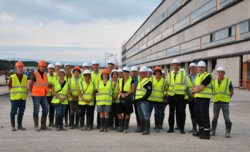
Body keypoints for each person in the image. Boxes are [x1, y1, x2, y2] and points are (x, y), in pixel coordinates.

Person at [211, 66, 234, 138]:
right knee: (215, 117)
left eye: (222, 72)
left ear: (224, 73)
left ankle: (227, 132)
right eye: (219, 72)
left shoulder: (228, 81)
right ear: (217, 73)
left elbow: (231, 92)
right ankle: (213, 131)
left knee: (226, 117)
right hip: (216, 102)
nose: (220, 74)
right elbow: (212, 91)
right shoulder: (214, 82)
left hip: (225, 102)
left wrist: (227, 98)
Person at [192, 61, 213, 140]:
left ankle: (207, 133)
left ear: (205, 68)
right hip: (197, 98)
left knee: (204, 115)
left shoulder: (207, 76)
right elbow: (194, 85)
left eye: (202, 67)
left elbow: (202, 87)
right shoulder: (198, 76)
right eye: (199, 67)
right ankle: (201, 130)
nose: (200, 69)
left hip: (204, 99)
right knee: (197, 115)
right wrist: (195, 89)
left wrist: (195, 90)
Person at [167, 59, 188, 134]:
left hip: (180, 95)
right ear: (172, 66)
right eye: (174, 65)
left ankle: (181, 128)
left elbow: (186, 84)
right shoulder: (169, 74)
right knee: (171, 112)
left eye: (177, 65)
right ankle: (171, 128)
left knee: (181, 112)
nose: (175, 66)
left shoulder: (183, 73)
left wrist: (181, 91)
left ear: (179, 65)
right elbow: (168, 84)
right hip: (172, 95)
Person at [29, 60, 51, 131]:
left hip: (43, 95)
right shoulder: (34, 74)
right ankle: (36, 126)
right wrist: (32, 92)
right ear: (39, 66)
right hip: (36, 95)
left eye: (44, 67)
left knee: (46, 109)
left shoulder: (45, 74)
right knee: (36, 110)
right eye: (42, 66)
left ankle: (43, 125)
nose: (43, 68)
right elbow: (30, 84)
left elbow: (44, 84)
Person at [8, 61, 27, 131]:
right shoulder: (12, 77)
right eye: (19, 68)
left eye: (21, 68)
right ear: (16, 68)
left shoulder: (25, 77)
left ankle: (19, 125)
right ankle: (13, 126)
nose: (20, 69)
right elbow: (9, 87)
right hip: (15, 98)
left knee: (21, 112)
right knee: (13, 112)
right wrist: (12, 94)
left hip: (22, 98)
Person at [148, 67, 167, 133]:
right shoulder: (151, 79)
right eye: (156, 72)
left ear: (161, 73)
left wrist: (164, 95)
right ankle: (147, 126)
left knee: (158, 113)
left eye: (159, 72)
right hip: (151, 99)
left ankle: (157, 126)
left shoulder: (164, 81)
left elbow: (166, 89)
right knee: (149, 113)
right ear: (155, 73)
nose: (158, 73)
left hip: (159, 100)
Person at [134, 66, 152, 135]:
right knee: (140, 115)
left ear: (146, 73)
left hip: (143, 101)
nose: (141, 74)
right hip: (138, 100)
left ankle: (147, 130)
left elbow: (149, 92)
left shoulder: (148, 81)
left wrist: (143, 98)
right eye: (140, 73)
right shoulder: (140, 80)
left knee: (146, 115)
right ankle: (141, 128)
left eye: (142, 73)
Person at [117, 67, 135, 133]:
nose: (126, 73)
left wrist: (126, 94)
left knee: (127, 113)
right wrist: (121, 94)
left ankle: (125, 128)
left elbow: (132, 90)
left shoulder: (131, 80)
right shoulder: (120, 80)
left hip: (128, 98)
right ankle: (121, 127)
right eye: (124, 72)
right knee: (119, 112)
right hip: (121, 97)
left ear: (129, 73)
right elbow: (118, 89)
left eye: (127, 72)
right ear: (123, 73)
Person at [187, 63, 198, 133]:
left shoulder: (200, 76)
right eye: (191, 68)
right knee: (192, 113)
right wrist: (190, 94)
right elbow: (186, 87)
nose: (192, 69)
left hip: (198, 97)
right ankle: (194, 128)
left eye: (193, 68)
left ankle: (201, 126)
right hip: (190, 98)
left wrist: (195, 93)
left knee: (199, 112)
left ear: (196, 68)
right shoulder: (187, 77)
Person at [91, 60, 102, 128]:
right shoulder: (90, 74)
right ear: (92, 66)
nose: (95, 66)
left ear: (98, 66)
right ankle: (91, 124)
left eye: (97, 65)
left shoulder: (101, 74)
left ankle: (99, 124)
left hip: (99, 94)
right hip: (91, 94)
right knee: (91, 110)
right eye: (94, 65)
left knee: (99, 110)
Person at [63, 63, 74, 127]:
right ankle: (66, 122)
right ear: (65, 69)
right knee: (65, 109)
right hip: (65, 95)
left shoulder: (73, 76)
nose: (68, 69)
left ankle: (71, 122)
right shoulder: (63, 76)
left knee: (71, 109)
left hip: (71, 96)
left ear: (70, 69)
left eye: (69, 68)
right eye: (66, 68)